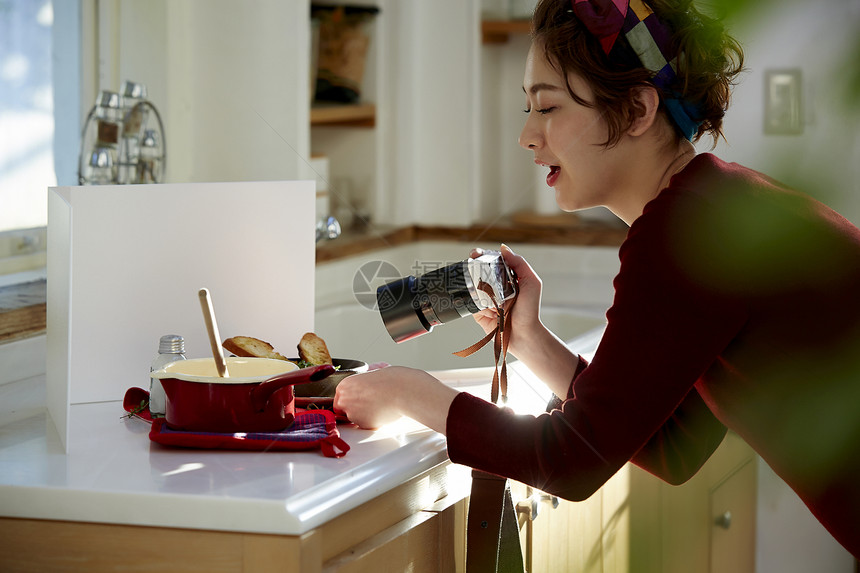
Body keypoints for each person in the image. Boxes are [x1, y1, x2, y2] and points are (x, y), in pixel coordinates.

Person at [334, 0, 860, 557]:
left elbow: (572, 461)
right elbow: (673, 447)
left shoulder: (684, 234)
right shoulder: (713, 204)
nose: (528, 137)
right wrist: (528, 339)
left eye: (549, 108)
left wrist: (412, 392)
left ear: (636, 109)